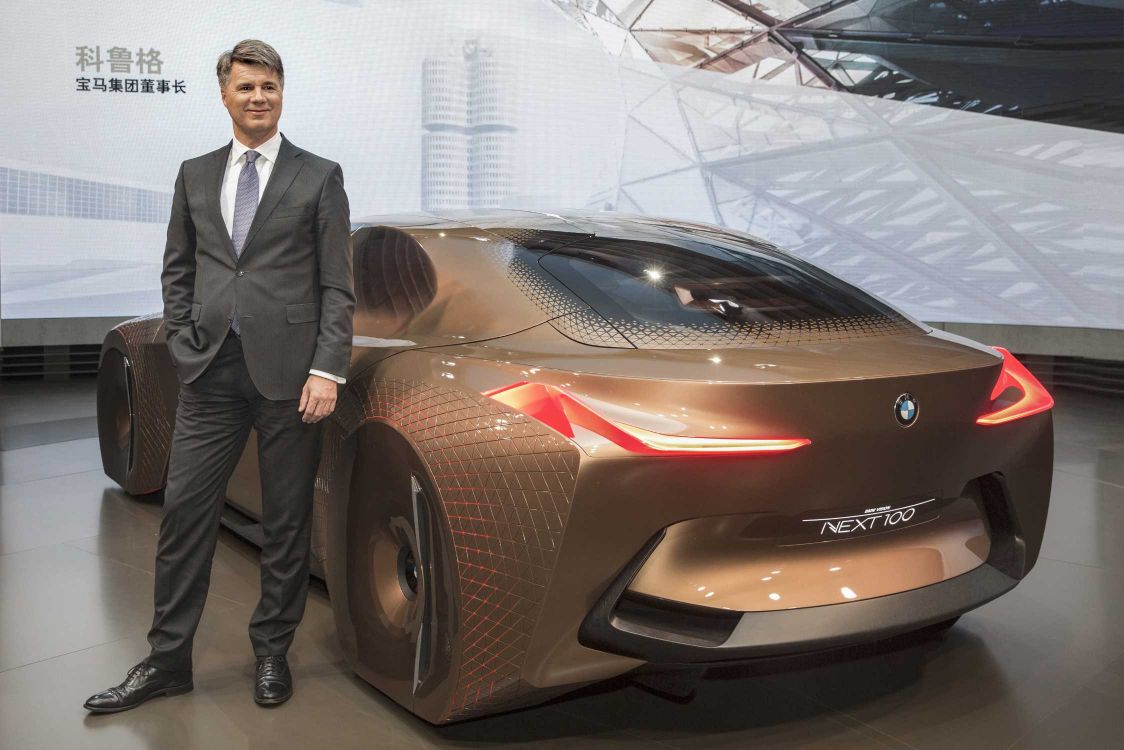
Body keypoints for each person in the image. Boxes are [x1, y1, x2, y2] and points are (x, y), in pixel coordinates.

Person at [84, 39, 355, 712]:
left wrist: (327, 367)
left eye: (269, 86)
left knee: (286, 526)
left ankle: (272, 654)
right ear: (224, 95)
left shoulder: (319, 175)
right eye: (246, 87)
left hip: (294, 379)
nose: (258, 97)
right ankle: (168, 660)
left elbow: (337, 285)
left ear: (281, 93)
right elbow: (178, 268)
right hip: (209, 371)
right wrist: (181, 341)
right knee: (183, 518)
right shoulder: (195, 174)